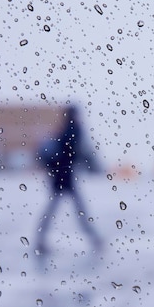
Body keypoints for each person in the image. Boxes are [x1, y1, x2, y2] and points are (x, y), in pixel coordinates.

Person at [35, 105, 103, 258]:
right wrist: (90, 163)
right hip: (65, 177)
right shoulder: (73, 129)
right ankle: (95, 239)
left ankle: (40, 239)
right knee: (78, 210)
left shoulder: (63, 129)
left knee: (57, 210)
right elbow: (75, 151)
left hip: (60, 176)